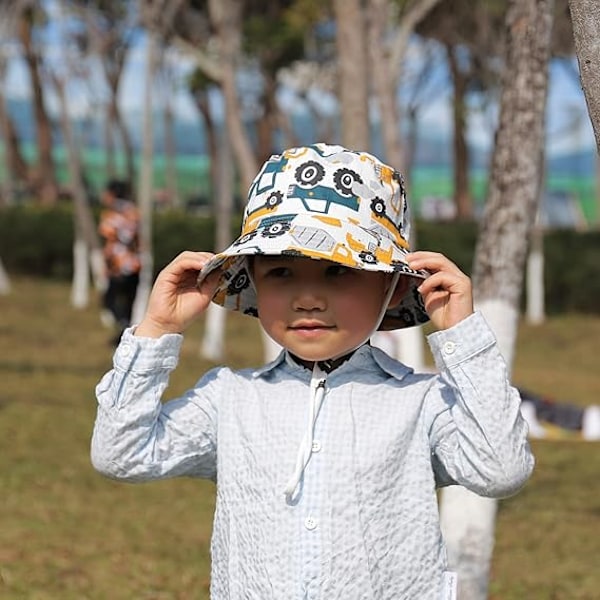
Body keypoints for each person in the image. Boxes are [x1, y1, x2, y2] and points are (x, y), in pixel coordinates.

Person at [91, 144, 534, 599]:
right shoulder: (229, 399)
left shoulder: (421, 402)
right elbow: (120, 454)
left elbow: (500, 470)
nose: (307, 298)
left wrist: (463, 338)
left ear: (394, 284)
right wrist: (156, 330)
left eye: (337, 272)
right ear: (253, 282)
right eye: (281, 272)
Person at [98, 179, 141, 345]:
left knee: (109, 300)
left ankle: (123, 326)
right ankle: (124, 336)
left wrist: (108, 266)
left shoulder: (111, 215)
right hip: (135, 264)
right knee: (129, 302)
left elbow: (110, 241)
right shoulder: (134, 212)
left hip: (119, 264)